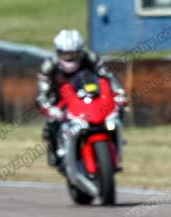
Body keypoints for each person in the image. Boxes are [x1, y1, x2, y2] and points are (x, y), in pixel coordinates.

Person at [37, 29, 126, 168]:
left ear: (80, 51)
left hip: (87, 94)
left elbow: (108, 76)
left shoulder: (91, 58)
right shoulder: (49, 65)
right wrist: (48, 106)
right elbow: (43, 90)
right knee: (52, 122)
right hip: (61, 97)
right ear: (58, 52)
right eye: (65, 54)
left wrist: (119, 93)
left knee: (117, 110)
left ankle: (114, 142)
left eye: (73, 54)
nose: (69, 58)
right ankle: (57, 151)